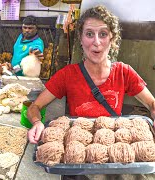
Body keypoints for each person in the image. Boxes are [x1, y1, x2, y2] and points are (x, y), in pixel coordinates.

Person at [27, 5, 155, 143]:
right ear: (81, 40)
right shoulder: (67, 75)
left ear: (112, 40)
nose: (96, 42)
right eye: (89, 34)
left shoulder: (124, 73)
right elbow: (34, 107)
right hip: (77, 147)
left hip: (113, 147)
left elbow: (152, 104)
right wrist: (36, 123)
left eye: (103, 34)